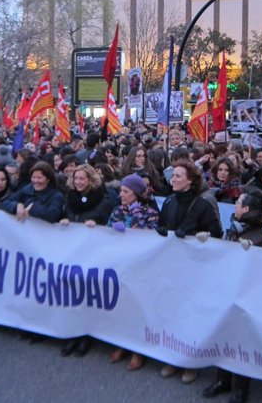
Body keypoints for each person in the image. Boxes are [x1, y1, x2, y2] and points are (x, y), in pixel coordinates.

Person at [203, 187, 262, 402]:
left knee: (242, 342)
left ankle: (241, 388)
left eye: (239, 203)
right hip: (226, 290)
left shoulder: (261, 238)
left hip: (245, 296)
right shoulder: (234, 228)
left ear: (247, 209)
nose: (235, 206)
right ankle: (223, 379)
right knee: (223, 335)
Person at [159, 160, 222, 385]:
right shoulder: (168, 202)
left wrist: (204, 237)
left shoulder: (203, 203)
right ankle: (173, 356)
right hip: (173, 266)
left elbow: (217, 234)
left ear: (191, 180)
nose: (173, 179)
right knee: (172, 312)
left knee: (191, 315)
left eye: (177, 176)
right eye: (172, 175)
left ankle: (191, 362)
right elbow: (162, 224)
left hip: (196, 268)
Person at [58, 164, 114, 358]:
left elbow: (110, 225)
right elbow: (65, 215)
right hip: (73, 253)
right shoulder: (70, 197)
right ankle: (73, 333)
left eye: (82, 179)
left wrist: (97, 225)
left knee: (87, 295)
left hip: (93, 254)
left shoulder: (103, 201)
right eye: (76, 179)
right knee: (71, 294)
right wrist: (64, 221)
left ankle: (86, 335)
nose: (78, 182)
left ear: (91, 180)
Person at [106, 174, 160, 371]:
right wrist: (113, 228)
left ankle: (139, 350)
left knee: (138, 306)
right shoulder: (118, 210)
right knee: (122, 305)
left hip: (141, 266)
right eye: (121, 191)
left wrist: (136, 217)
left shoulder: (150, 212)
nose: (121, 195)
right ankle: (122, 343)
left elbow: (152, 237)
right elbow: (106, 232)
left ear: (136, 194)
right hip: (121, 264)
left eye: (125, 192)